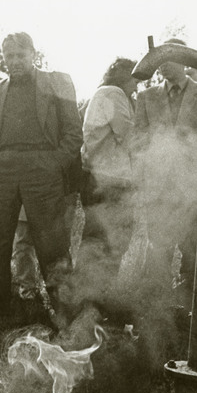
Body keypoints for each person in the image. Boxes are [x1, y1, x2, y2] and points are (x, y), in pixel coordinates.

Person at [0, 32, 82, 320]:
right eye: (9, 56)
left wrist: (54, 164)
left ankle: (65, 308)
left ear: (33, 55)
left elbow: (74, 132)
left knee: (52, 242)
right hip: (2, 169)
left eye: (20, 55)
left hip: (43, 168)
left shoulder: (57, 81)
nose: (14, 61)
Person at [134, 39, 197, 302]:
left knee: (192, 246)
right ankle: (158, 304)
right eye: (159, 61)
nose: (162, 66)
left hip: (193, 186)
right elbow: (139, 140)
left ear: (185, 61)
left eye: (169, 60)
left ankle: (190, 304)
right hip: (158, 187)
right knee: (159, 247)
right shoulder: (146, 96)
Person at [81, 57, 139, 274]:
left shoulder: (102, 93)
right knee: (111, 239)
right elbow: (128, 135)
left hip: (99, 177)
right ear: (125, 75)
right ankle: (95, 295)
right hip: (110, 179)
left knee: (97, 238)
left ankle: (88, 295)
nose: (136, 85)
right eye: (135, 79)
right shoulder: (114, 93)